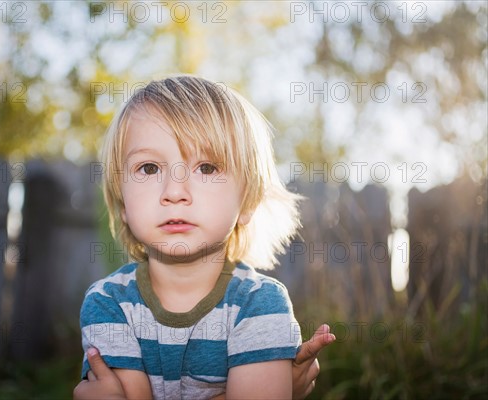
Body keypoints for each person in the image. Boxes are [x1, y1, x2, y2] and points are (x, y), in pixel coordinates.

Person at [75, 76, 335, 399]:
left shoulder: (259, 305)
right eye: (149, 168)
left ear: (248, 202)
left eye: (207, 168)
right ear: (122, 202)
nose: (174, 191)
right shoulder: (108, 303)